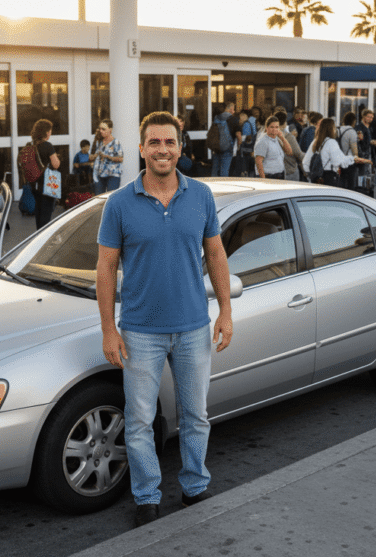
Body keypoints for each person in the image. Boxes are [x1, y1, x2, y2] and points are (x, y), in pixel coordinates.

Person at [96, 110, 233, 528]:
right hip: (139, 331)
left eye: (169, 142)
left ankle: (194, 486)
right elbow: (105, 269)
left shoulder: (202, 196)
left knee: (196, 416)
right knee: (139, 421)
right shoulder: (119, 204)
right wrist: (109, 329)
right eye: (154, 142)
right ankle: (146, 497)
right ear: (141, 149)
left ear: (180, 147)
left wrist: (226, 310)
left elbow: (215, 255)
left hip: (193, 326)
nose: (162, 149)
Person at [302, 118, 371, 187]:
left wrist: (310, 177)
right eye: (334, 127)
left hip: (316, 178)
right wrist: (354, 159)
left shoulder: (316, 141)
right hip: (328, 177)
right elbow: (339, 161)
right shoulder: (331, 142)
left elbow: (305, 162)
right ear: (331, 129)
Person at [29, 118, 61, 229]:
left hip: (35, 184)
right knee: (46, 213)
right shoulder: (47, 145)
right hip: (47, 183)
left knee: (39, 210)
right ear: (47, 132)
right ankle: (42, 238)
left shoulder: (32, 145)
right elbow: (56, 164)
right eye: (50, 130)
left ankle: (38, 233)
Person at [253, 115, 293, 179]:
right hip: (269, 176)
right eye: (272, 127)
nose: (274, 129)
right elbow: (258, 161)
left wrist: (282, 137)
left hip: (280, 175)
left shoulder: (277, 139)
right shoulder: (263, 141)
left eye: (276, 127)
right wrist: (263, 179)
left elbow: (289, 152)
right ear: (266, 128)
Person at [92, 119, 123, 193]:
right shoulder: (99, 142)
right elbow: (92, 156)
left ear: (110, 130)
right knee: (99, 200)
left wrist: (107, 156)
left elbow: (120, 159)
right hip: (100, 175)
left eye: (103, 129)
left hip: (113, 175)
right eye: (100, 129)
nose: (101, 131)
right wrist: (95, 138)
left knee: (111, 199)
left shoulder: (115, 142)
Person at [276, 111, 305, 180]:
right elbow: (298, 153)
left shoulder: (269, 135)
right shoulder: (288, 136)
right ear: (285, 123)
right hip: (289, 172)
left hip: (276, 172)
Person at [210, 102, 235, 177]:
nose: (234, 111)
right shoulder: (233, 119)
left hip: (216, 146)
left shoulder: (216, 118)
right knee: (224, 170)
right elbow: (238, 134)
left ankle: (212, 185)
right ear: (230, 109)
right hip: (227, 147)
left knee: (215, 168)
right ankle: (224, 187)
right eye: (233, 109)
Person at [337, 112, 360, 188]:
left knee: (341, 183)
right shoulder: (352, 132)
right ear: (354, 121)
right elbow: (354, 151)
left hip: (339, 160)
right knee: (350, 185)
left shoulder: (339, 130)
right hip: (349, 162)